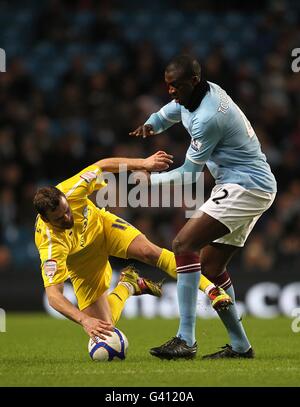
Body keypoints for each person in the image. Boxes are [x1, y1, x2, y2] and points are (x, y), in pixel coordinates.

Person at [130, 55, 277, 360]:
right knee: (211, 268)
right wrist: (153, 123)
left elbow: (188, 175)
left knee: (183, 243)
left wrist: (150, 181)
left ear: (193, 81)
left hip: (246, 185)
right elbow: (174, 109)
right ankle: (240, 346)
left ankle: (185, 340)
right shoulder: (198, 94)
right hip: (243, 184)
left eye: (176, 86)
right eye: (167, 85)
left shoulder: (209, 117)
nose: (171, 91)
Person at [34, 151, 231, 344]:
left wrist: (143, 163)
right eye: (60, 219)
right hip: (83, 262)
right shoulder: (50, 244)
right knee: (105, 327)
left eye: (67, 211)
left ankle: (212, 290)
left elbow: (102, 165)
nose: (67, 218)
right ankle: (129, 284)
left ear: (65, 199)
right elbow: (53, 296)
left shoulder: (72, 189)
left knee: (149, 252)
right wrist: (85, 320)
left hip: (103, 228)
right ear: (46, 219)